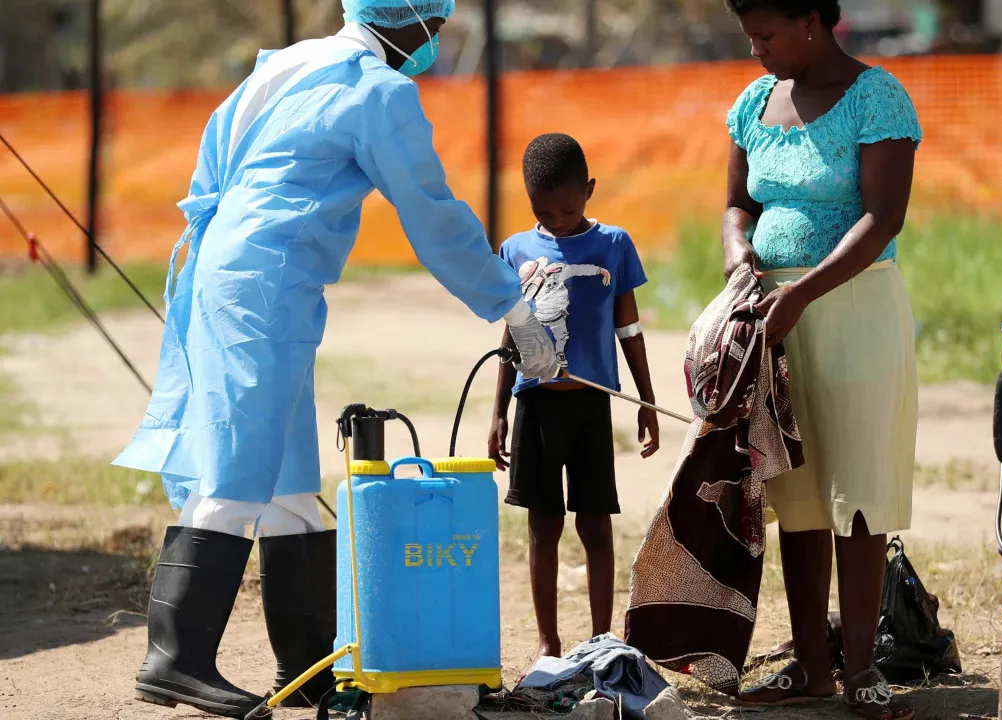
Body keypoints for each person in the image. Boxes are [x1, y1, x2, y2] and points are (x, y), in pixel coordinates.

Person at [112, 1, 559, 717]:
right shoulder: (379, 92)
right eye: (436, 23)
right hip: (268, 283)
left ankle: (307, 665)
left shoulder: (289, 61)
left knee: (288, 479)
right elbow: (432, 211)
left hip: (242, 271)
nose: (437, 36)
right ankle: (175, 659)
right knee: (239, 466)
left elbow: (214, 153)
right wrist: (511, 306)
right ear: (406, 18)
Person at [720, 1, 921, 719]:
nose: (756, 48)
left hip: (853, 313)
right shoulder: (753, 103)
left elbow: (883, 216)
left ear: (811, 20)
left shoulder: (876, 97)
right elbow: (737, 205)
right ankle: (810, 666)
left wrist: (802, 292)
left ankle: (861, 668)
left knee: (855, 491)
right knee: (797, 492)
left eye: (767, 34)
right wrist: (737, 251)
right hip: (774, 324)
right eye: (748, 35)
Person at [487, 133, 660, 668]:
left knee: (595, 523)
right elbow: (511, 335)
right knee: (543, 526)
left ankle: (602, 639)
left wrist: (647, 400)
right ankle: (549, 644)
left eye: (567, 209)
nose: (557, 221)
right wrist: (498, 412)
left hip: (591, 407)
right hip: (536, 407)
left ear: (589, 190)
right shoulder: (516, 250)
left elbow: (628, 327)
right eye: (543, 211)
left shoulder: (613, 244)